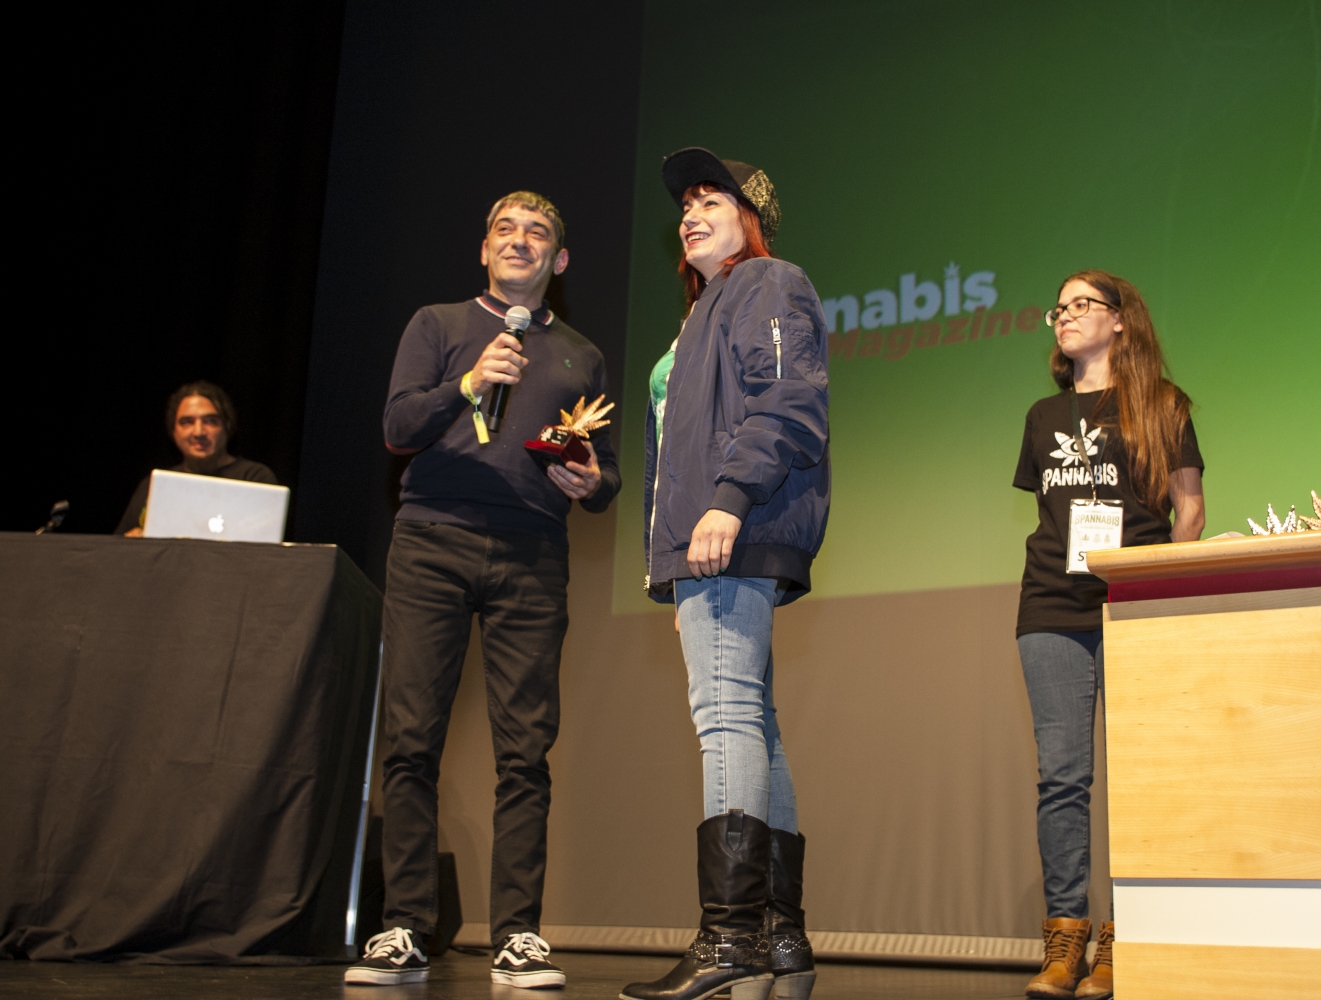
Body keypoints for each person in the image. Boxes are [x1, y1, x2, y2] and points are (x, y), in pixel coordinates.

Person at [344, 191, 620, 988]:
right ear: (484, 249)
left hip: (533, 553)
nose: (520, 241)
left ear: (559, 260)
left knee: (525, 752)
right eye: (506, 230)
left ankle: (518, 934)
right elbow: (398, 428)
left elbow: (603, 473)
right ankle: (404, 927)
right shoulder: (437, 326)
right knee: (412, 740)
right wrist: (468, 383)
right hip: (431, 542)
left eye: (537, 233)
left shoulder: (581, 355)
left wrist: (594, 481)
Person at [621, 149, 829, 1000]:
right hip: (706, 542)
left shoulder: (768, 283)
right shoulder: (704, 312)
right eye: (686, 204)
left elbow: (788, 403)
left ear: (754, 219)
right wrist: (671, 568)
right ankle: (778, 937)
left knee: (728, 717)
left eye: (712, 200)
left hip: (732, 527)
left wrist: (729, 502)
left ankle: (728, 940)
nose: (690, 213)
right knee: (754, 722)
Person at [1012, 270, 1205, 999]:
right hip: (1051, 605)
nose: (1065, 316)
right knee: (1063, 779)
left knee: (1134, 777)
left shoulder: (1163, 404)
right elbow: (1052, 514)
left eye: (1081, 304)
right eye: (1058, 309)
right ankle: (1065, 942)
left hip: (1133, 604)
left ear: (1121, 320)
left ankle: (1126, 941)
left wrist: (1162, 592)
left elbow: (1190, 510)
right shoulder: (1042, 415)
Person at [115, 381, 276, 536]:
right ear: (173, 431)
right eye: (187, 422)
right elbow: (118, 546)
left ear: (227, 426)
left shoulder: (254, 478)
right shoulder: (155, 485)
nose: (198, 432)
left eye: (210, 421)